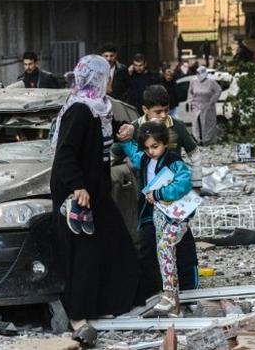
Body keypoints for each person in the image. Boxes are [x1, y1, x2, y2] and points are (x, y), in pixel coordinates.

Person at [50, 54, 146, 347]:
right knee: (85, 253)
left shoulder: (100, 106)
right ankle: (78, 315)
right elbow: (65, 153)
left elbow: (109, 130)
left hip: (97, 189)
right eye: (106, 76)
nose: (110, 80)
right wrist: (78, 187)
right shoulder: (79, 110)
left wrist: (126, 130)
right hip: (77, 192)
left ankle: (110, 303)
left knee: (114, 242)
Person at [113, 85, 202, 294]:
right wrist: (125, 139)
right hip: (149, 203)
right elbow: (121, 152)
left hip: (175, 202)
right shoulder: (136, 135)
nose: (163, 116)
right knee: (150, 245)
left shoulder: (175, 147)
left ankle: (187, 290)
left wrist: (197, 187)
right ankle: (154, 292)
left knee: (181, 244)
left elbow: (191, 163)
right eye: (157, 112)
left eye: (166, 110)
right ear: (145, 110)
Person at [118, 121, 192, 315]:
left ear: (165, 143)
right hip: (157, 214)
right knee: (165, 254)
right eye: (147, 147)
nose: (151, 151)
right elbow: (132, 153)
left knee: (164, 247)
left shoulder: (174, 161)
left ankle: (168, 294)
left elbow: (184, 184)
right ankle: (174, 303)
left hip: (177, 216)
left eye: (155, 146)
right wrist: (126, 139)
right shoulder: (144, 159)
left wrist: (159, 193)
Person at [189, 66, 222, 145]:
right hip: (196, 105)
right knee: (197, 123)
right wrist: (191, 102)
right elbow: (190, 93)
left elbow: (218, 90)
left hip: (207, 106)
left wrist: (212, 100)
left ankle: (208, 141)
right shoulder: (193, 81)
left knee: (208, 123)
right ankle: (198, 140)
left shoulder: (211, 82)